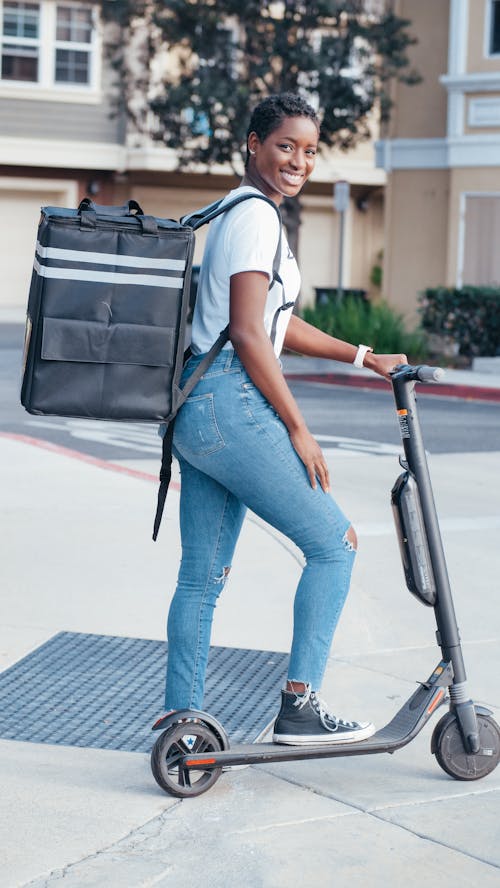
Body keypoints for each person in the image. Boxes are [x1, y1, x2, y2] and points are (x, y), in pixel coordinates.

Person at [165, 92, 406, 745]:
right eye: (284, 146)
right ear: (253, 143)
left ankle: (180, 723)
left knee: (200, 578)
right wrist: (298, 428)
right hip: (231, 403)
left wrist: (362, 355)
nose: (298, 161)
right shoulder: (257, 218)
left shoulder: (240, 212)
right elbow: (248, 334)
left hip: (195, 408)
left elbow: (276, 321)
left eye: (308, 150)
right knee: (336, 544)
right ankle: (299, 706)